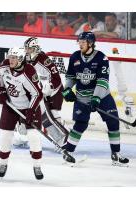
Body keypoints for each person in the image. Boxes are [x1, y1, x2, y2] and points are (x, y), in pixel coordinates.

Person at [62, 32, 129, 166]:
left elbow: (103, 81)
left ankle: (116, 154)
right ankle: (68, 152)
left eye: (83, 42)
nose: (80, 44)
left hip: (102, 96)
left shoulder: (101, 58)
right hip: (82, 97)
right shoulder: (75, 56)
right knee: (80, 124)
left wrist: (96, 98)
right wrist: (67, 89)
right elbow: (70, 76)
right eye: (79, 42)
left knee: (113, 122)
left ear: (91, 43)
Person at [0, 46, 44, 180]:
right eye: (10, 57)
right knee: (5, 135)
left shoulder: (29, 71)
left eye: (14, 57)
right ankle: (3, 163)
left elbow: (37, 94)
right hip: (11, 106)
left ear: (21, 59)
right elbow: (0, 79)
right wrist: (0, 91)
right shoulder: (4, 66)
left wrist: (30, 111)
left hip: (29, 107)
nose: (11, 60)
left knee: (33, 136)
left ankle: (37, 165)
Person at [13, 37, 67, 150]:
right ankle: (22, 136)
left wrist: (50, 87)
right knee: (23, 111)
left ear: (36, 49)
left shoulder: (44, 60)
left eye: (29, 49)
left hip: (54, 93)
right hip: (38, 92)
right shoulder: (25, 59)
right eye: (26, 49)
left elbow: (56, 78)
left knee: (47, 116)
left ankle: (62, 138)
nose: (27, 51)